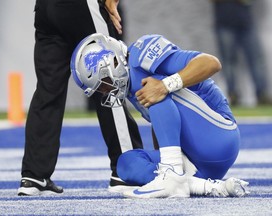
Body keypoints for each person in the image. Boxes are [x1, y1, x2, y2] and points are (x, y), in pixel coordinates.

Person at [71, 33, 250, 198]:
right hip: (197, 161)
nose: (105, 92)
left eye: (103, 84)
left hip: (219, 136)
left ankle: (173, 174)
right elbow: (163, 122)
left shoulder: (140, 56)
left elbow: (211, 63)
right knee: (126, 163)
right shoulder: (132, 84)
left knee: (151, 88)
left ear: (114, 63)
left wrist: (165, 85)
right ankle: (205, 186)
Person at [17, 0, 144, 196]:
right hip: (83, 6)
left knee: (48, 91)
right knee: (109, 80)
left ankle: (34, 175)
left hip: (44, 8)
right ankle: (126, 169)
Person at [211, 0, 271, 105]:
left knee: (256, 60)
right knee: (228, 62)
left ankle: (262, 94)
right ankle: (232, 94)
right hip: (224, 22)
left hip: (246, 22)